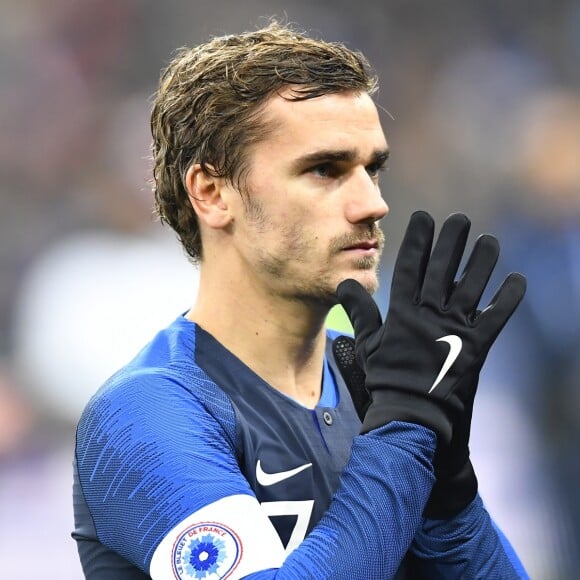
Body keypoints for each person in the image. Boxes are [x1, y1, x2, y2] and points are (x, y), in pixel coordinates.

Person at [72, 21, 529, 579]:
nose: (372, 203)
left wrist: (451, 498)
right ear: (212, 194)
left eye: (373, 169)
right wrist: (405, 436)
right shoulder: (147, 411)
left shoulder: (375, 385)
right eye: (325, 169)